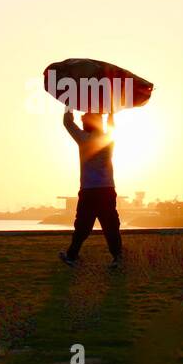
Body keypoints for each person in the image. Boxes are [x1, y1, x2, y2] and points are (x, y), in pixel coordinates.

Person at [58, 109, 122, 268]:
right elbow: (112, 127)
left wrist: (69, 103)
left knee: (82, 226)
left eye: (83, 120)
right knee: (111, 225)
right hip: (107, 189)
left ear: (87, 124)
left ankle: (72, 256)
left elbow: (67, 123)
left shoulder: (83, 138)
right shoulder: (108, 139)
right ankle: (118, 258)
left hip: (89, 190)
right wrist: (111, 113)